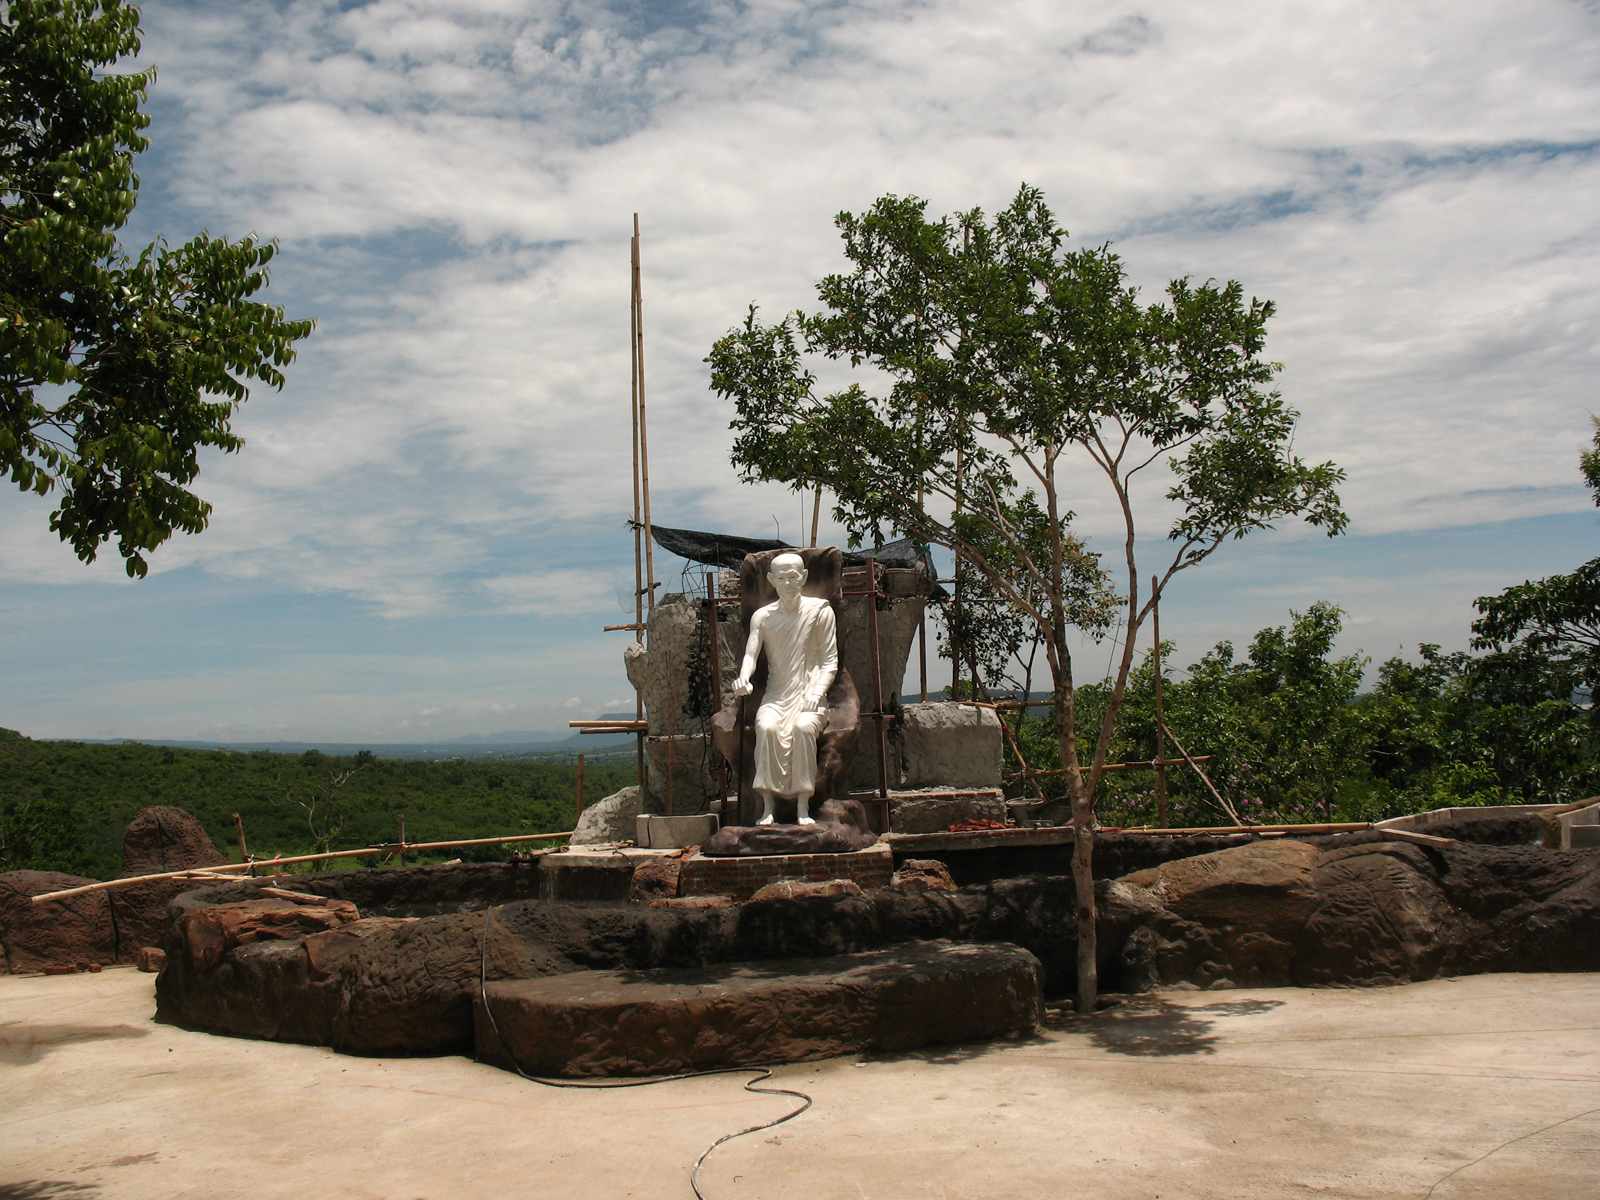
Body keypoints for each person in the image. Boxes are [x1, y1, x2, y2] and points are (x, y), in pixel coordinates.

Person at [729, 552, 838, 824]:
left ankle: (803, 805)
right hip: (776, 696)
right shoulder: (763, 617)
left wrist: (816, 693)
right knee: (766, 728)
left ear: (804, 577)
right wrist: (743, 678)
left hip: (809, 695)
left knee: (803, 728)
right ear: (771, 580)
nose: (788, 583)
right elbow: (751, 655)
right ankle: (768, 805)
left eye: (793, 577)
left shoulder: (820, 611)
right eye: (781, 578)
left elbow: (830, 661)